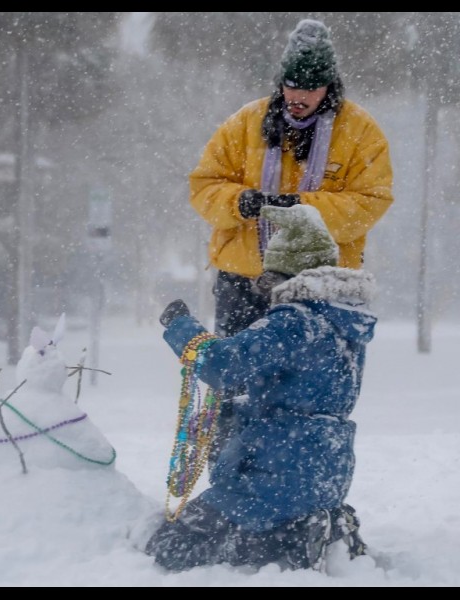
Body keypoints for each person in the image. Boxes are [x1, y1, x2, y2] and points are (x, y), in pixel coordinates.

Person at [188, 17, 393, 467]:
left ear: (330, 87)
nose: (298, 96)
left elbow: (371, 201)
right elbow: (203, 186)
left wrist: (301, 206)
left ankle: (295, 485)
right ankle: (228, 477)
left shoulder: (361, 132)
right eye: (290, 85)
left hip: (320, 290)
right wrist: (239, 202)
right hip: (244, 281)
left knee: (306, 397)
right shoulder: (245, 123)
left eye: (310, 88)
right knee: (232, 390)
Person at [145, 203, 375, 572]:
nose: (265, 292)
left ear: (288, 275)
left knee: (171, 546)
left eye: (269, 280)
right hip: (325, 470)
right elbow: (303, 396)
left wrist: (180, 325)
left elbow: (223, 366)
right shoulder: (344, 325)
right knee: (264, 523)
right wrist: (233, 411)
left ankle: (293, 535)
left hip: (273, 473)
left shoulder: (294, 321)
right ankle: (318, 522)